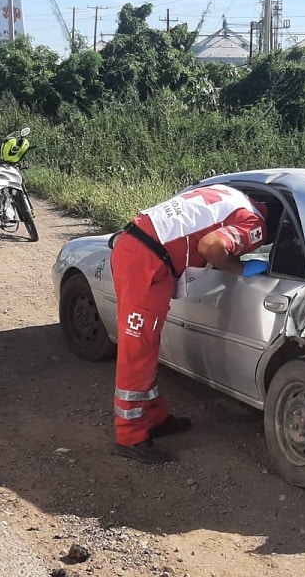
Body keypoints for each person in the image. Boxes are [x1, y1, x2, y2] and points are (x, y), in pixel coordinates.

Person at [109, 185, 272, 464]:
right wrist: (240, 267)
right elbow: (211, 246)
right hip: (146, 261)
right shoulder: (254, 221)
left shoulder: (229, 193)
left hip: (138, 249)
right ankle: (130, 435)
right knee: (137, 349)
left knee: (146, 346)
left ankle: (154, 416)